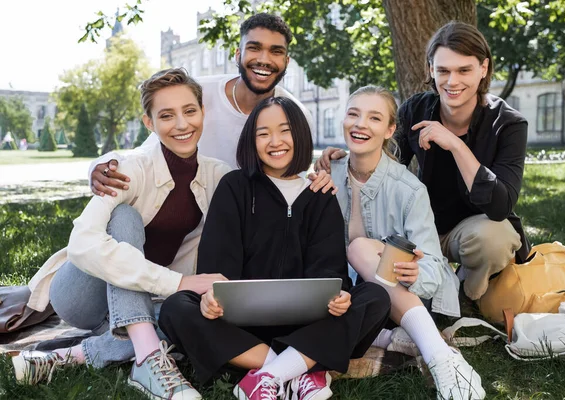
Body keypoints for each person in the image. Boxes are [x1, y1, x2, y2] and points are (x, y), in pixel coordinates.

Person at [12, 68, 232, 400]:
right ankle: (146, 357)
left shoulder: (219, 176)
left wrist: (322, 173)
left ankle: (71, 355)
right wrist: (181, 284)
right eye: (167, 115)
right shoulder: (129, 170)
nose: (183, 124)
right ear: (149, 123)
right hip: (83, 295)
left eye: (190, 111)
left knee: (190, 326)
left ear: (203, 112)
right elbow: (83, 243)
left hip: (148, 302)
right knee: (125, 216)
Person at [158, 97, 391, 400]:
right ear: (251, 141)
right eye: (263, 133)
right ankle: (300, 370)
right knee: (176, 309)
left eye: (284, 131)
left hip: (309, 326)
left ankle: (268, 376)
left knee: (374, 297)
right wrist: (211, 298)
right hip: (240, 329)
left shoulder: (319, 195)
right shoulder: (234, 187)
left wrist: (340, 298)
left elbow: (330, 273)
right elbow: (216, 268)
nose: (275, 142)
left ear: (299, 135)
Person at [316, 21, 529, 302]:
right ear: (431, 69)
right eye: (443, 70)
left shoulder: (509, 124)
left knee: (494, 237)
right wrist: (348, 158)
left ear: (483, 68)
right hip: (420, 229)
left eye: (464, 70)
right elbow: (389, 168)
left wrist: (455, 145)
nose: (452, 82)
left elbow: (500, 205)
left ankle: (470, 295)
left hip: (473, 230)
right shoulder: (415, 110)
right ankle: (432, 286)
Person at [328, 85, 485, 399]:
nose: (360, 125)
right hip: (355, 298)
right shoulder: (326, 176)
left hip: (406, 294)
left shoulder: (409, 189)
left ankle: (439, 356)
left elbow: (430, 265)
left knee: (359, 247)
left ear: (389, 130)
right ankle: (393, 339)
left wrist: (415, 274)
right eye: (353, 114)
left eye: (374, 118)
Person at [89, 12, 331, 198]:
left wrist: (333, 167)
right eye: (254, 48)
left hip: (247, 232)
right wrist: (101, 167)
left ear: (286, 61)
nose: (264, 60)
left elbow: (292, 185)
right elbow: (148, 152)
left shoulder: (297, 114)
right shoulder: (197, 95)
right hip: (180, 219)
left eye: (275, 51)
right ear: (238, 55)